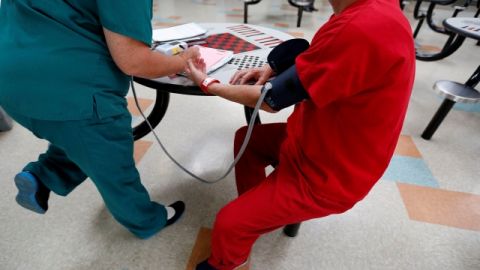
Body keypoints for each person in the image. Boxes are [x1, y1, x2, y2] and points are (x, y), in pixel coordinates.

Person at [186, 0, 415, 268]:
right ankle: (256, 214)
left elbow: (269, 101)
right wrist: (274, 69)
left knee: (228, 224)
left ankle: (231, 256)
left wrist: (207, 83)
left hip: (331, 173)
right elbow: (324, 59)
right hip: (319, 138)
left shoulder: (359, 27)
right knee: (246, 140)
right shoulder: (370, 10)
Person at [0, 0, 200, 239]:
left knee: (78, 138)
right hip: (71, 87)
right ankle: (146, 220)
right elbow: (133, 60)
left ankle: (43, 176)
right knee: (112, 162)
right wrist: (181, 60)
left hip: (11, 81)